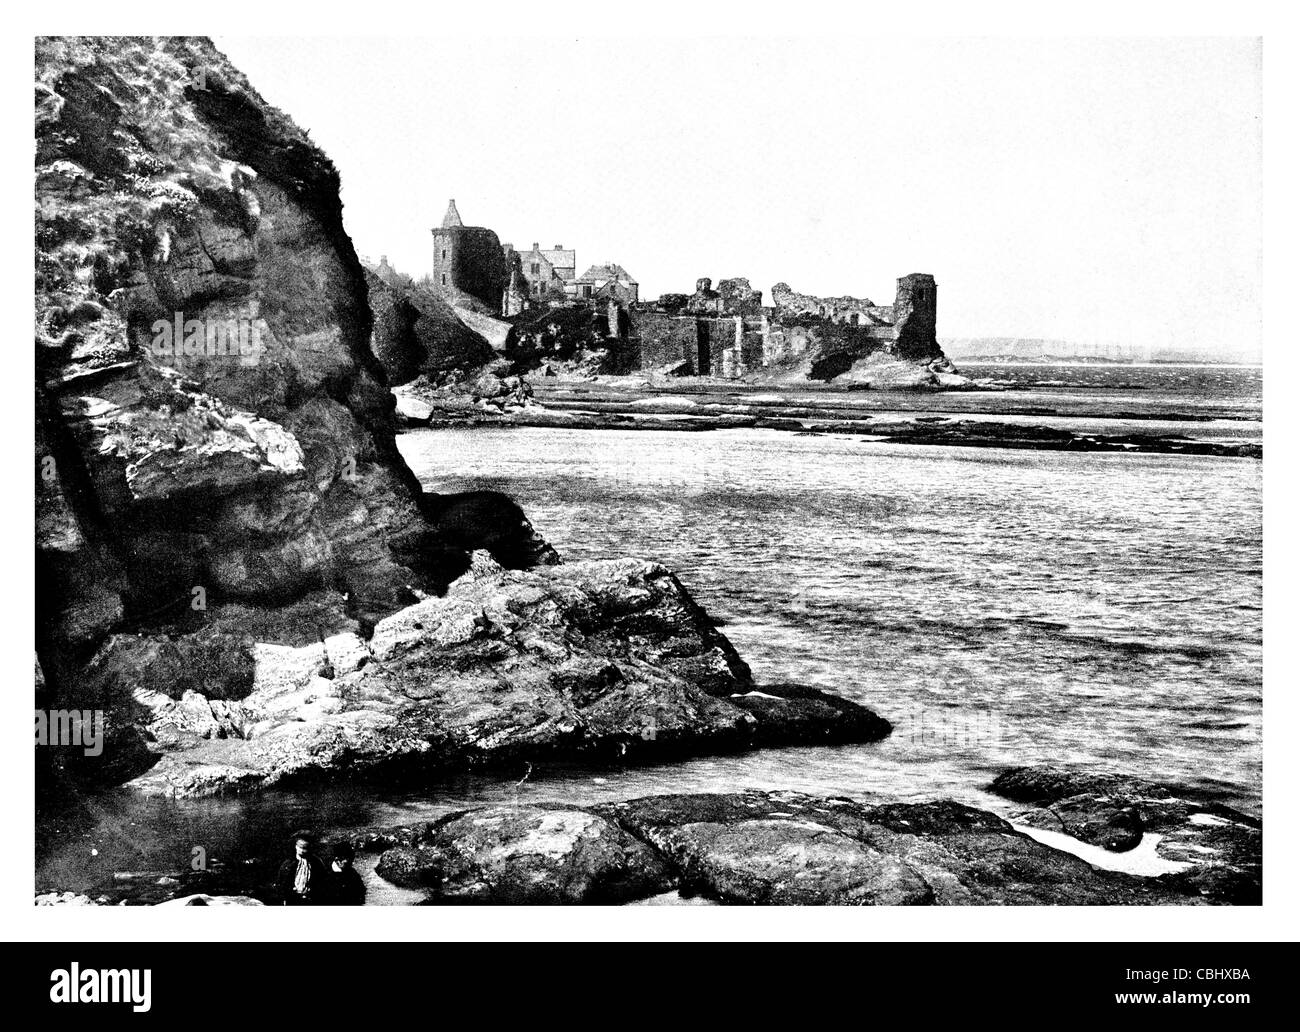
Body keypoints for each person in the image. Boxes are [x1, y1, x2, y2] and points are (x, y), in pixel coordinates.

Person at [276, 832, 327, 906]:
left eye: (306, 848)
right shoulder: (288, 864)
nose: (303, 851)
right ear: (295, 846)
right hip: (292, 899)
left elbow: (322, 882)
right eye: (300, 847)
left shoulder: (316, 863)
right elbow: (282, 883)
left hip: (311, 900)